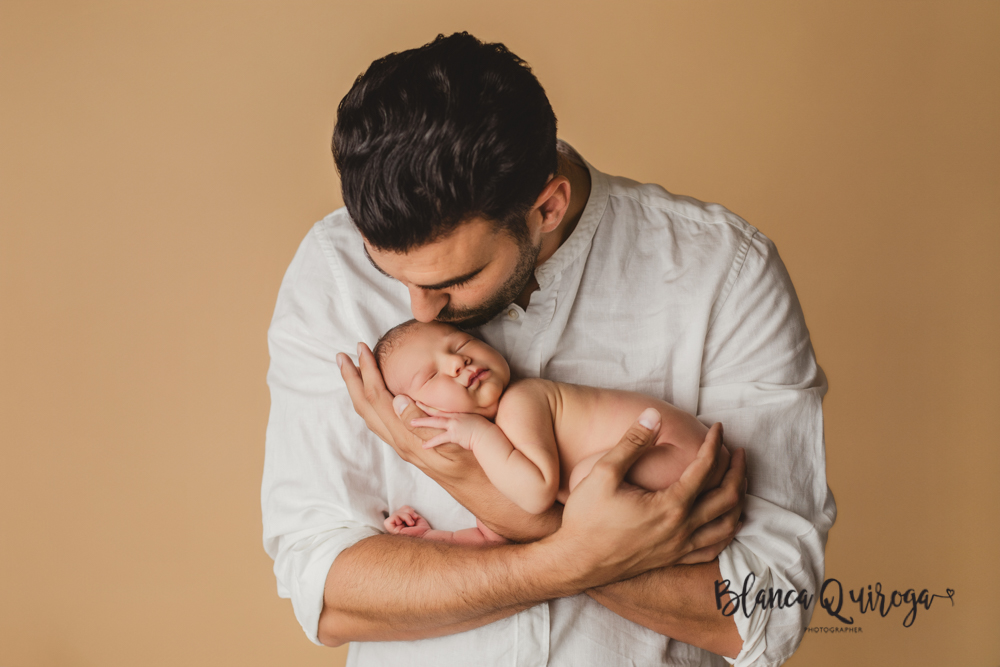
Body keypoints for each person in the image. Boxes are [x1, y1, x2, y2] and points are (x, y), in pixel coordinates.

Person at [262, 32, 835, 667]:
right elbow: (327, 590)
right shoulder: (333, 270)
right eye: (395, 278)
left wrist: (488, 497)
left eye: (453, 281)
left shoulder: (723, 271)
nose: (418, 309)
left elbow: (765, 610)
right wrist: (574, 554)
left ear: (548, 206)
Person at [374, 319, 731, 544]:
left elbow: (535, 496)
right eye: (432, 375)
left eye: (460, 344)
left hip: (676, 449)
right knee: (588, 492)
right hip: (678, 462)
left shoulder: (522, 399)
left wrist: (476, 436)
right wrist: (436, 537)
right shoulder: (499, 455)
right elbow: (497, 535)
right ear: (420, 413)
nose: (457, 361)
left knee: (588, 485)